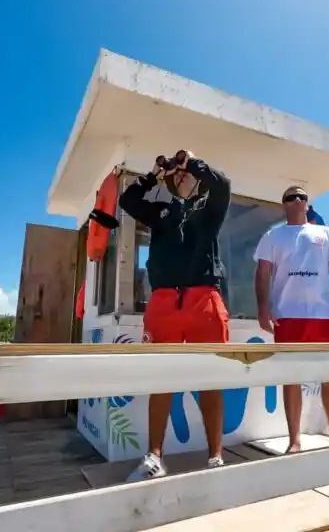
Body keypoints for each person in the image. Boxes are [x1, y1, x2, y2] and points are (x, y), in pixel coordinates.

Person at [118, 149, 231, 482]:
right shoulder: (160, 211)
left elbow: (223, 184)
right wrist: (154, 173)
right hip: (165, 301)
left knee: (211, 381)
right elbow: (128, 200)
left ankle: (215, 457)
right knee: (161, 381)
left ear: (196, 177)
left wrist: (193, 162)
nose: (180, 176)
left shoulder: (210, 207)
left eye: (186, 173)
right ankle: (154, 456)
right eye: (175, 174)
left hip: (204, 300)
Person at [254, 185, 329, 453]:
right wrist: (263, 308)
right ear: (284, 204)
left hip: (325, 316)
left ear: (307, 203)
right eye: (291, 197)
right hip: (287, 317)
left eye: (302, 196)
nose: (297, 199)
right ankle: (294, 440)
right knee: (292, 378)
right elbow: (262, 274)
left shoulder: (326, 233)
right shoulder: (272, 236)